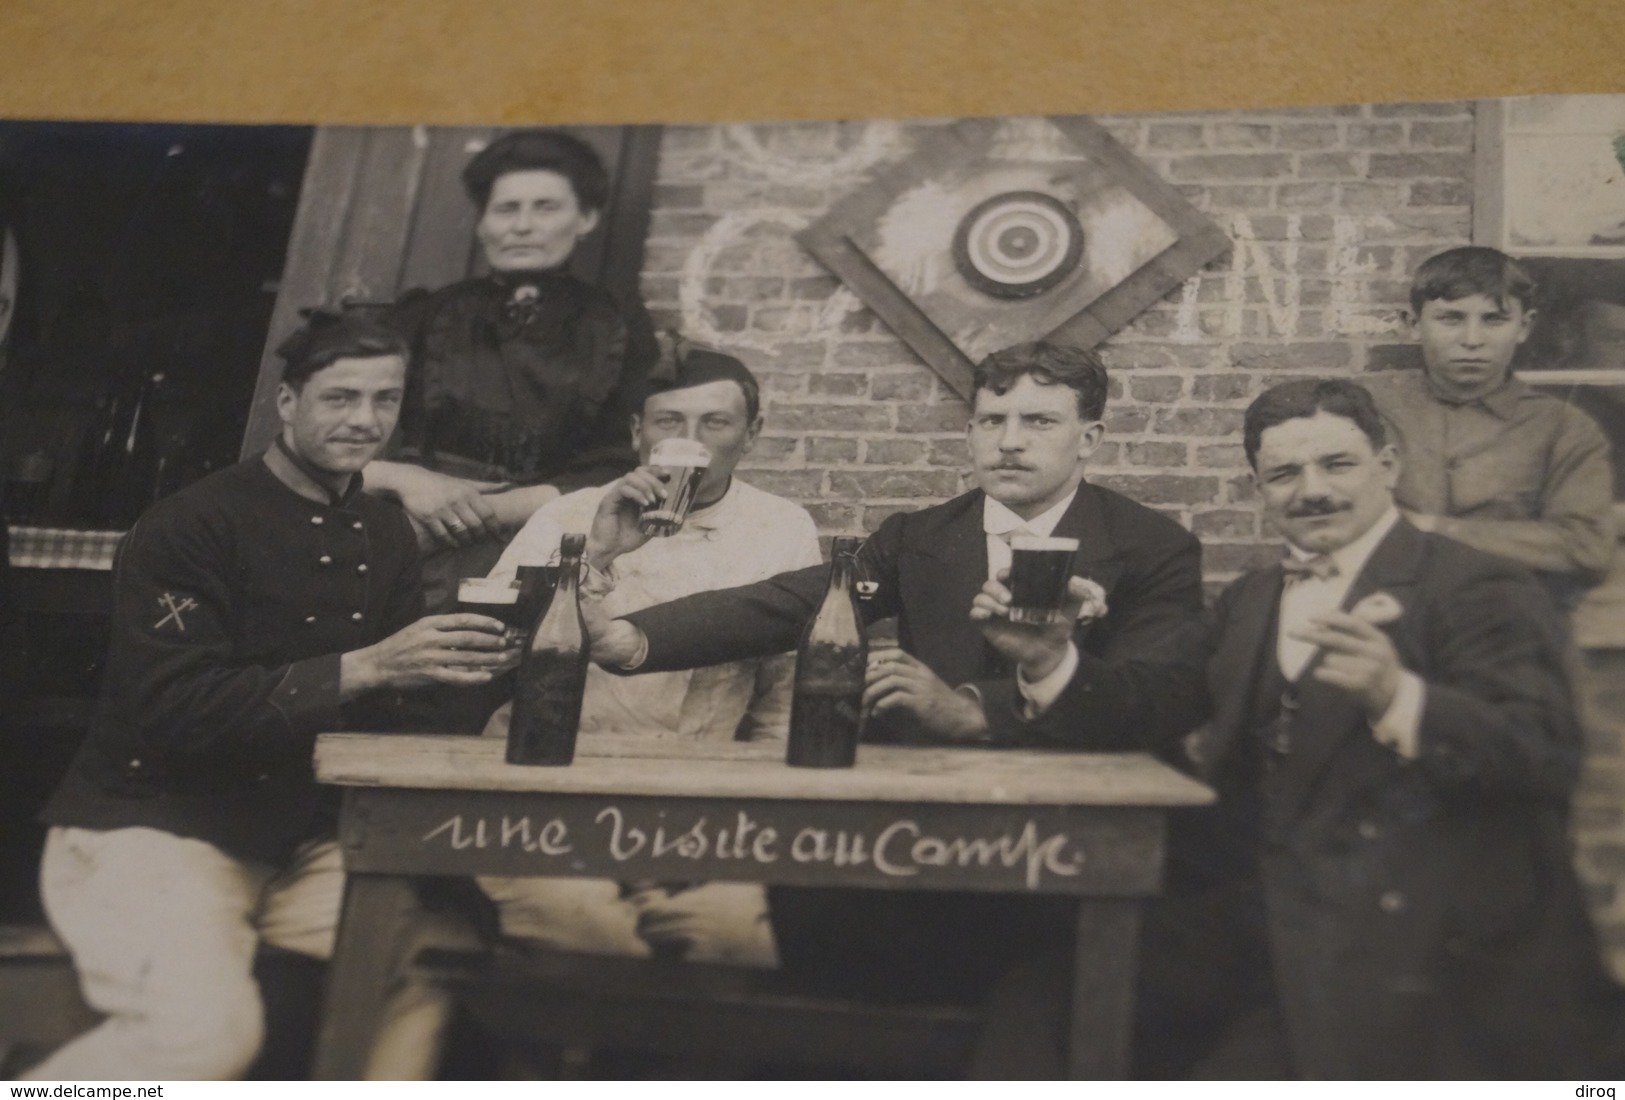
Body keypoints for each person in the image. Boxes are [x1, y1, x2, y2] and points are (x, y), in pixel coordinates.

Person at [974, 378, 1620, 1077]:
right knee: (1045, 993)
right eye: (1283, 474)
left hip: (1411, 939)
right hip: (1265, 911)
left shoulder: (1476, 586)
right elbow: (1149, 701)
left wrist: (1396, 696)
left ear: (1388, 466)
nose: (1310, 490)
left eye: (1335, 465)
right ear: (1257, 487)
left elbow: (1541, 755)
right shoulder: (1253, 599)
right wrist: (1049, 659)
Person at [586, 340, 1205, 1004]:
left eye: (1039, 422)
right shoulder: (920, 537)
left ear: (1089, 439)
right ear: (969, 432)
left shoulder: (1151, 547)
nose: (1009, 442)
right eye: (992, 422)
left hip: (1073, 847)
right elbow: (790, 602)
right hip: (928, 839)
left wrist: (977, 709)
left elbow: (1159, 699)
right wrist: (630, 637)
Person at [22, 311, 518, 1081]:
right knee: (200, 1038)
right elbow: (176, 710)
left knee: (428, 964)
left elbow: (397, 711)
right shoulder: (191, 525)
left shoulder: (382, 533)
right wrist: (369, 667)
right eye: (340, 397)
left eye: (384, 400)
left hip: (290, 837)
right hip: (157, 829)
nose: (364, 420)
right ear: (287, 402)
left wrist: (503, 649)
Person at [477, 346, 821, 966]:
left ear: (752, 435)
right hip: (549, 794)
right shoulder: (569, 514)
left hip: (694, 805)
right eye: (668, 423)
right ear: (637, 432)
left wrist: (757, 824)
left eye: (714, 424)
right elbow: (492, 652)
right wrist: (598, 554)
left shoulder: (783, 527)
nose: (687, 442)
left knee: (735, 940)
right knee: (591, 936)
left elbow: (783, 695)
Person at [363, 128, 659, 610]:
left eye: (545, 208)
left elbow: (617, 462)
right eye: (506, 209)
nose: (522, 226)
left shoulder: (617, 326)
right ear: (482, 223)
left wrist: (483, 511)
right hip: (407, 532)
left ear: (585, 219)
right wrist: (407, 481)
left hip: (543, 538)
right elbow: (337, 435)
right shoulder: (425, 316)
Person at [1361, 246, 1616, 610]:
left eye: (1494, 320)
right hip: (1389, 619)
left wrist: (1439, 529)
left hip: (1513, 625)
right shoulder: (1370, 414)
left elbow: (1587, 548)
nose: (1472, 339)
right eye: (1450, 319)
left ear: (1524, 326)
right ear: (1414, 324)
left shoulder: (1563, 427)